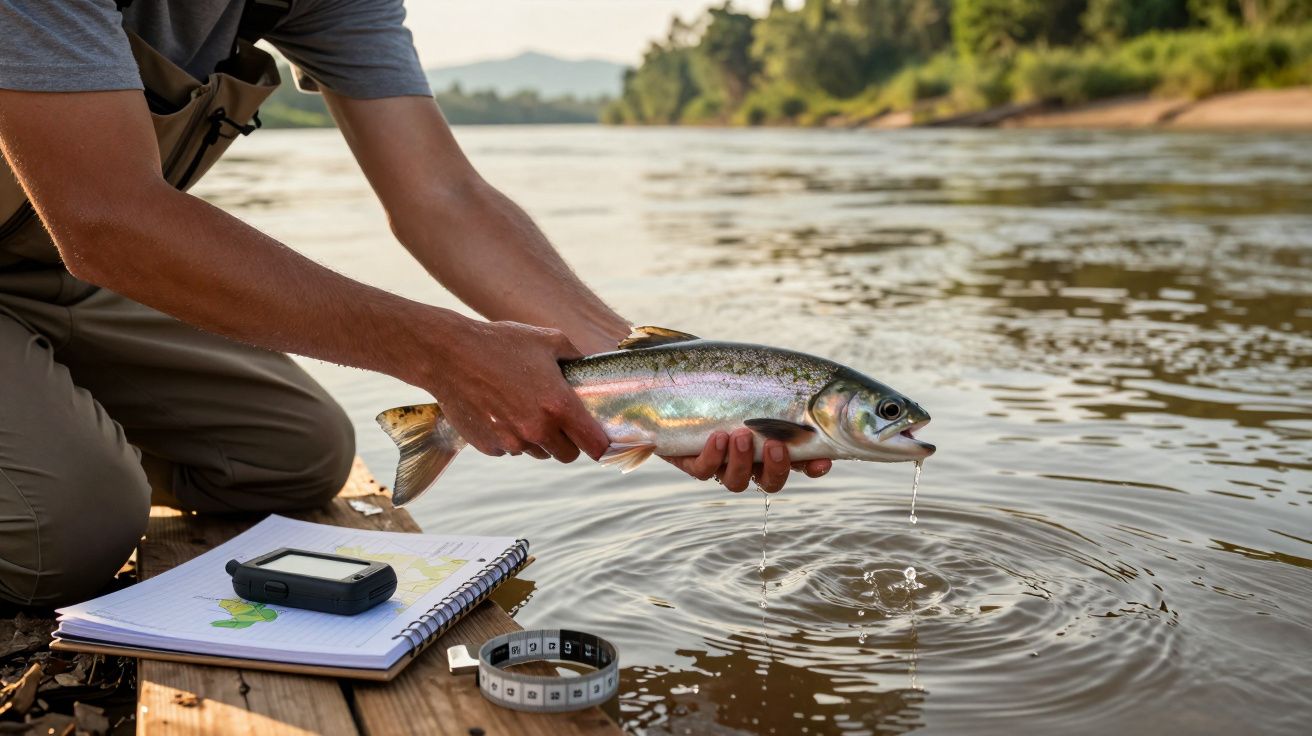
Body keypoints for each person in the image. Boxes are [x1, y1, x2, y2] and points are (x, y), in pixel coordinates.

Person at [0, 0, 831, 608]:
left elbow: (444, 197)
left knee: (291, 455)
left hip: (49, 271)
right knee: (68, 526)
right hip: (90, 234)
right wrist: (442, 352)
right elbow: (107, 218)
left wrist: (656, 385)